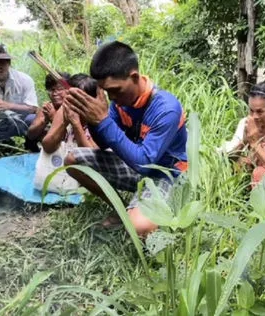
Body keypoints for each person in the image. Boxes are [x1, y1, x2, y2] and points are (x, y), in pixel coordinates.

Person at [63, 41, 188, 236]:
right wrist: (93, 120)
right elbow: (103, 144)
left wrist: (103, 121)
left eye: (115, 90)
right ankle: (122, 210)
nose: (111, 97)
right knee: (72, 161)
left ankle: (150, 211)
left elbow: (145, 163)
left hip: (166, 174)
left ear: (135, 77)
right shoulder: (120, 101)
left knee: (139, 226)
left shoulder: (166, 108)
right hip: (134, 164)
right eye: (106, 91)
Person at [41, 73, 98, 153]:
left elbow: (90, 156)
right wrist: (65, 122)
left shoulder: (97, 117)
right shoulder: (66, 107)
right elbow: (47, 147)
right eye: (68, 95)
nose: (69, 100)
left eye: (76, 97)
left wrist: (76, 124)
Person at [26, 72, 70, 145]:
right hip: (50, 147)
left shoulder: (72, 107)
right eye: (52, 90)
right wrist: (45, 120)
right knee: (30, 120)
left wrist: (53, 117)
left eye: (59, 89)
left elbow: (67, 137)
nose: (55, 93)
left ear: (68, 89)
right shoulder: (48, 107)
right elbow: (31, 135)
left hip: (68, 147)